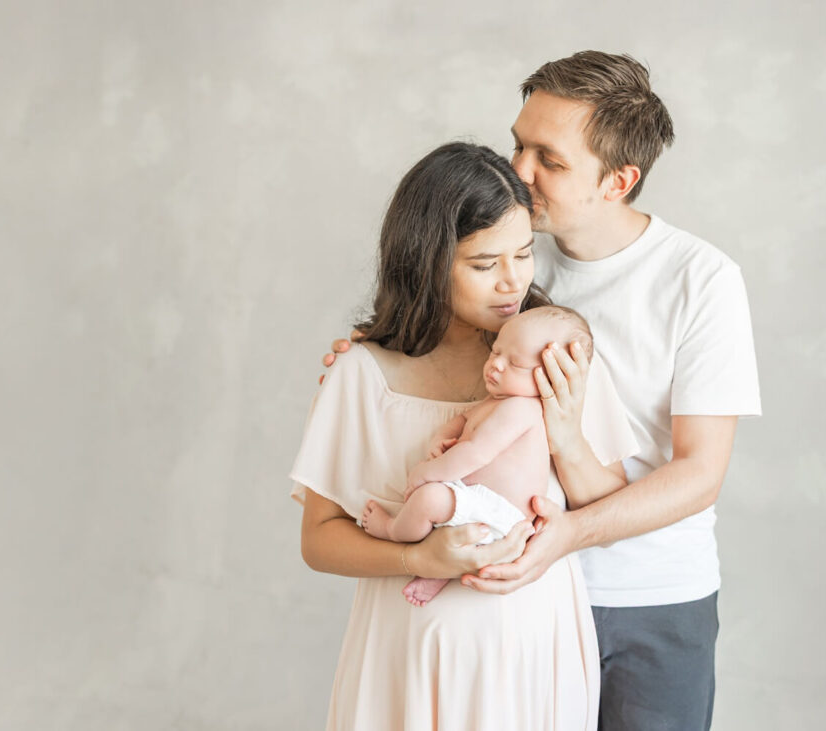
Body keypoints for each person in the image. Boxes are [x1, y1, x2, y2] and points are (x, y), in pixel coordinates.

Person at [325, 52, 762, 730]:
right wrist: (368, 349)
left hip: (652, 597)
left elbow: (700, 472)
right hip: (515, 596)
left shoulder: (700, 279)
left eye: (549, 160)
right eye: (518, 144)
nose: (519, 173)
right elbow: (424, 340)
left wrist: (566, 535)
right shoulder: (512, 259)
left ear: (619, 180)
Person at [291, 141, 638, 730]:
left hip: (532, 645)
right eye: (484, 264)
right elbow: (319, 541)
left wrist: (564, 429)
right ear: (426, 261)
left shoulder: (555, 357)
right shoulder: (362, 372)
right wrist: (416, 556)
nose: (512, 283)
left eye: (525, 254)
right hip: (407, 654)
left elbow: (604, 511)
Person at [361, 305, 600, 607]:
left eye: (515, 363)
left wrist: (429, 471)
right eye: (496, 351)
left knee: (429, 498)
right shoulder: (497, 402)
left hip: (500, 517)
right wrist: (440, 437)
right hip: (478, 503)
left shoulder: (521, 409)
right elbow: (462, 421)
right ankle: (440, 573)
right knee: (438, 504)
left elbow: (476, 453)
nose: (496, 364)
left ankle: (393, 530)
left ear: (553, 378)